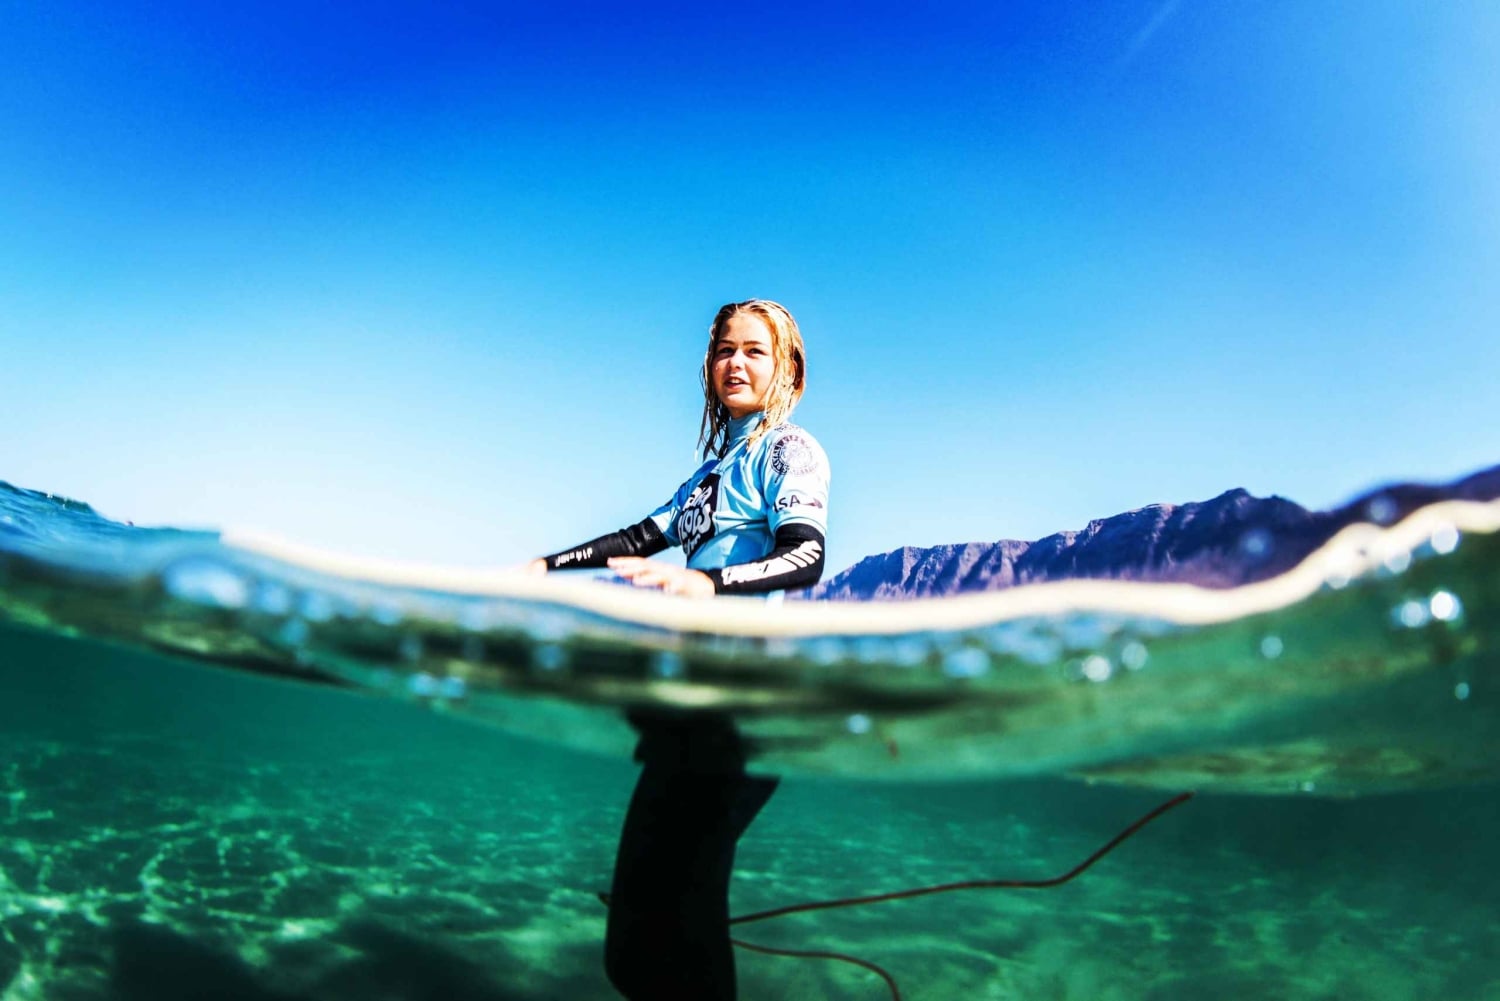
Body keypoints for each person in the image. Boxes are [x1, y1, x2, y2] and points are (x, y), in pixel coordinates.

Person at [529, 299, 829, 1000]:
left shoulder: (790, 451)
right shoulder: (705, 477)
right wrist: (542, 567)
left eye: (757, 350)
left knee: (681, 923)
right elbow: (636, 538)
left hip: (741, 712)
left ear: (787, 367)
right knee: (633, 949)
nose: (737, 362)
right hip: (687, 712)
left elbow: (807, 553)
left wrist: (706, 581)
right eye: (726, 349)